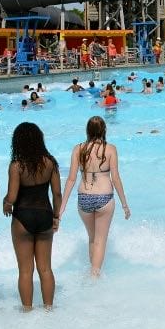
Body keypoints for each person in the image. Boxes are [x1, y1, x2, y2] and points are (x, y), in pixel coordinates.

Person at [60, 116, 131, 277]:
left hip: (83, 197)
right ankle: (94, 277)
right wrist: (124, 204)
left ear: (88, 130)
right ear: (104, 130)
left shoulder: (78, 149)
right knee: (100, 240)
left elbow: (71, 179)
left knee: (92, 238)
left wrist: (62, 207)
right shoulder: (110, 149)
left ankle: (92, 273)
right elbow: (116, 178)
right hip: (104, 197)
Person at [2, 122, 61, 311]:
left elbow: (12, 196)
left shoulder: (17, 166)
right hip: (45, 215)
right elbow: (57, 194)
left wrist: (6, 203)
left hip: (23, 217)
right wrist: (56, 216)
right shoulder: (50, 162)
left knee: (26, 270)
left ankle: (27, 312)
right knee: (45, 269)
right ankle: (49, 310)